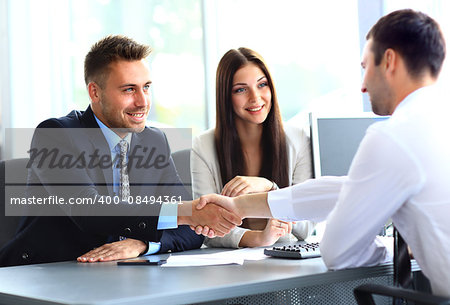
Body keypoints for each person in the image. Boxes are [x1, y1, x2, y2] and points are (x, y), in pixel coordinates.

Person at [195, 9, 450, 297]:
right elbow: (347, 189)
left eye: (365, 67)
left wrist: (396, 246)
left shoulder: (395, 136)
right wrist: (242, 207)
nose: (363, 85)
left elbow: (340, 252)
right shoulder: (435, 121)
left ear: (389, 61)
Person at [0, 35, 240, 267]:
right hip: (46, 273)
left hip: (121, 274)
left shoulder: (153, 140)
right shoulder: (56, 134)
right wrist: (186, 211)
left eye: (146, 87)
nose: (143, 101)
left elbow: (190, 230)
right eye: (129, 90)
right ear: (95, 92)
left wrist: (143, 244)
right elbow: (89, 209)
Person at [191, 47, 314, 248]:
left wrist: (270, 188)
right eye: (241, 89)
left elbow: (307, 225)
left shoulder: (298, 139)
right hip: (230, 263)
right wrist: (258, 239)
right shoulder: (203, 145)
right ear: (226, 97)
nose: (255, 98)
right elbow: (206, 226)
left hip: (286, 258)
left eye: (262, 85)